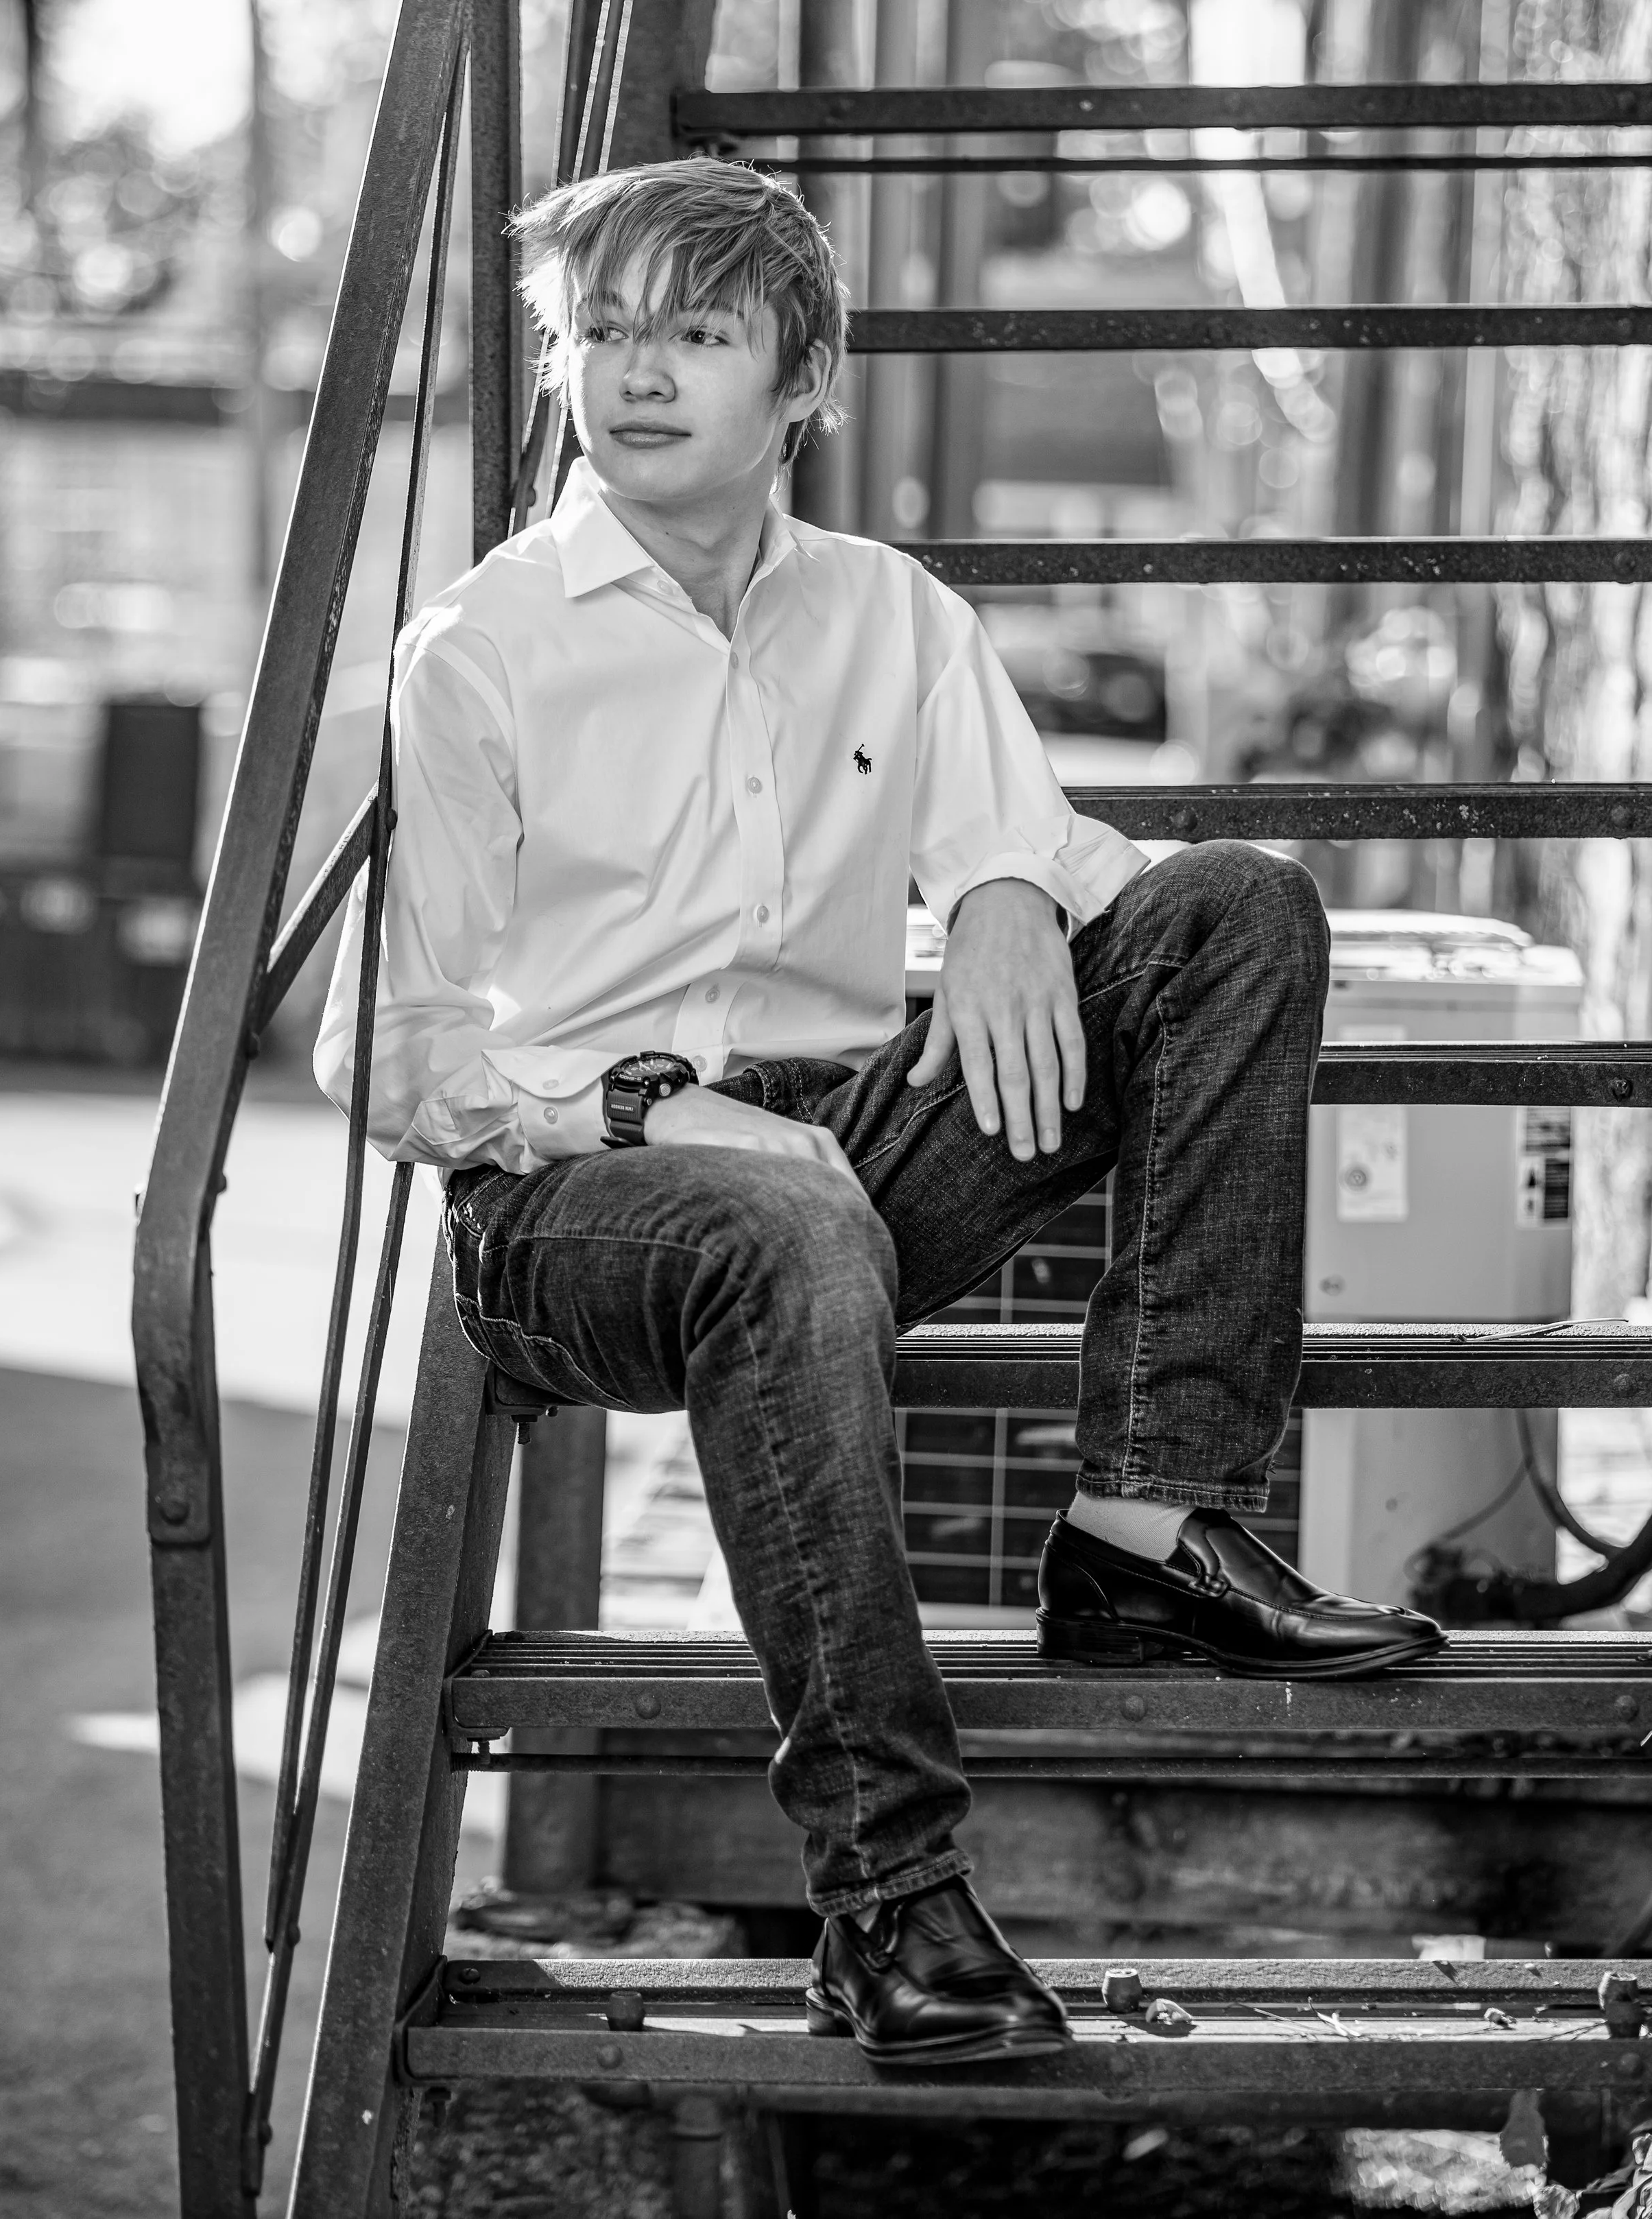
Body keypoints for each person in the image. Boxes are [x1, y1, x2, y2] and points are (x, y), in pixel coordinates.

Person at [315, 156, 1442, 2068]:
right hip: (572, 1211)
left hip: (843, 1149)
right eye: (597, 331)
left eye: (695, 330)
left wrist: (998, 882)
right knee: (788, 1214)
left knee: (1236, 909)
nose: (635, 375)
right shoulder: (486, 649)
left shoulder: (886, 613)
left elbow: (1074, 860)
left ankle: (1144, 1530)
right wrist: (665, 1109)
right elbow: (398, 1053)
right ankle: (888, 1900)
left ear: (803, 377)